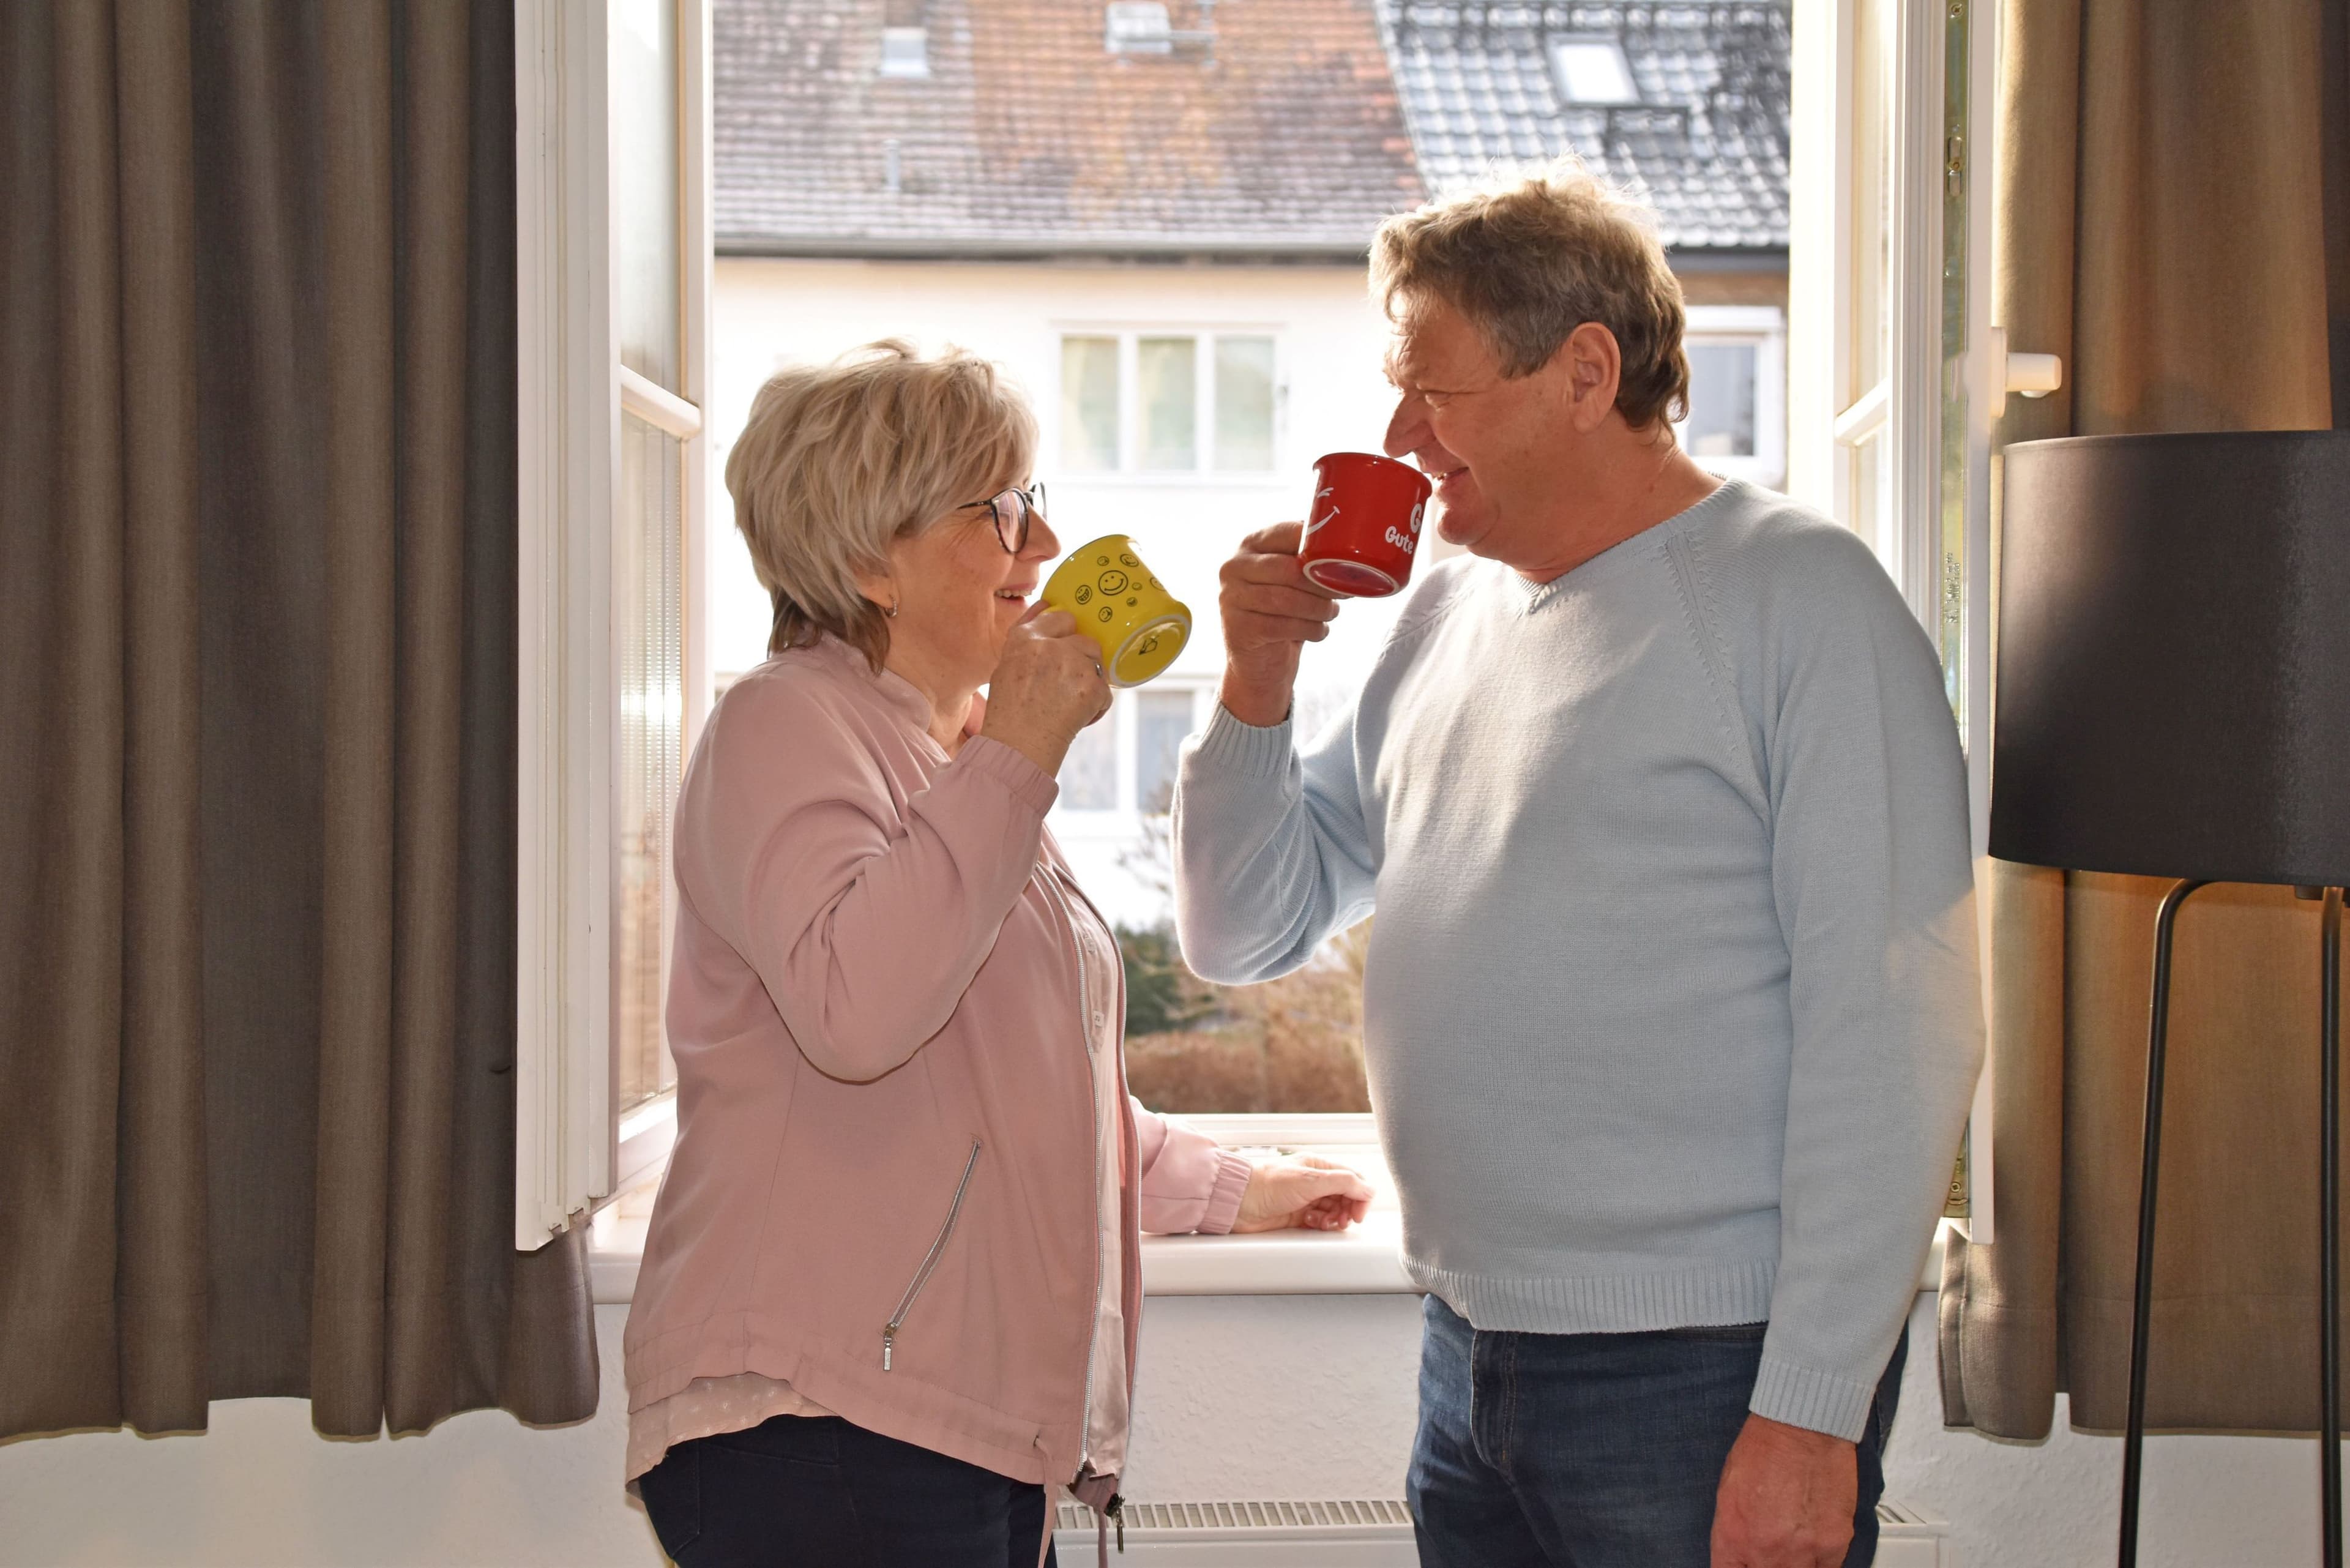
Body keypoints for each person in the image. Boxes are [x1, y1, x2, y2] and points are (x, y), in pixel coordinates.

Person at [1171, 165, 1984, 1568]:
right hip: (1471, 1349)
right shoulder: (1445, 619)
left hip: (1705, 1370)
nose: (1400, 433)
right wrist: (1254, 685)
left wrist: (1811, 1415)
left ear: (1584, 371)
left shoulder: (1800, 598)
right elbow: (1242, 931)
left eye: (1435, 390)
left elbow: (1898, 1030)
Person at [624, 341, 1374, 1568]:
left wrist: (1234, 1187)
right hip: (818, 1417)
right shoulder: (785, 723)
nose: (1044, 546)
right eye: (1005, 509)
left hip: (931, 1417)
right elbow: (858, 1012)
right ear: (872, 558)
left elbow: (1018, 1085)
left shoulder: (950, 757)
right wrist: (1017, 755)